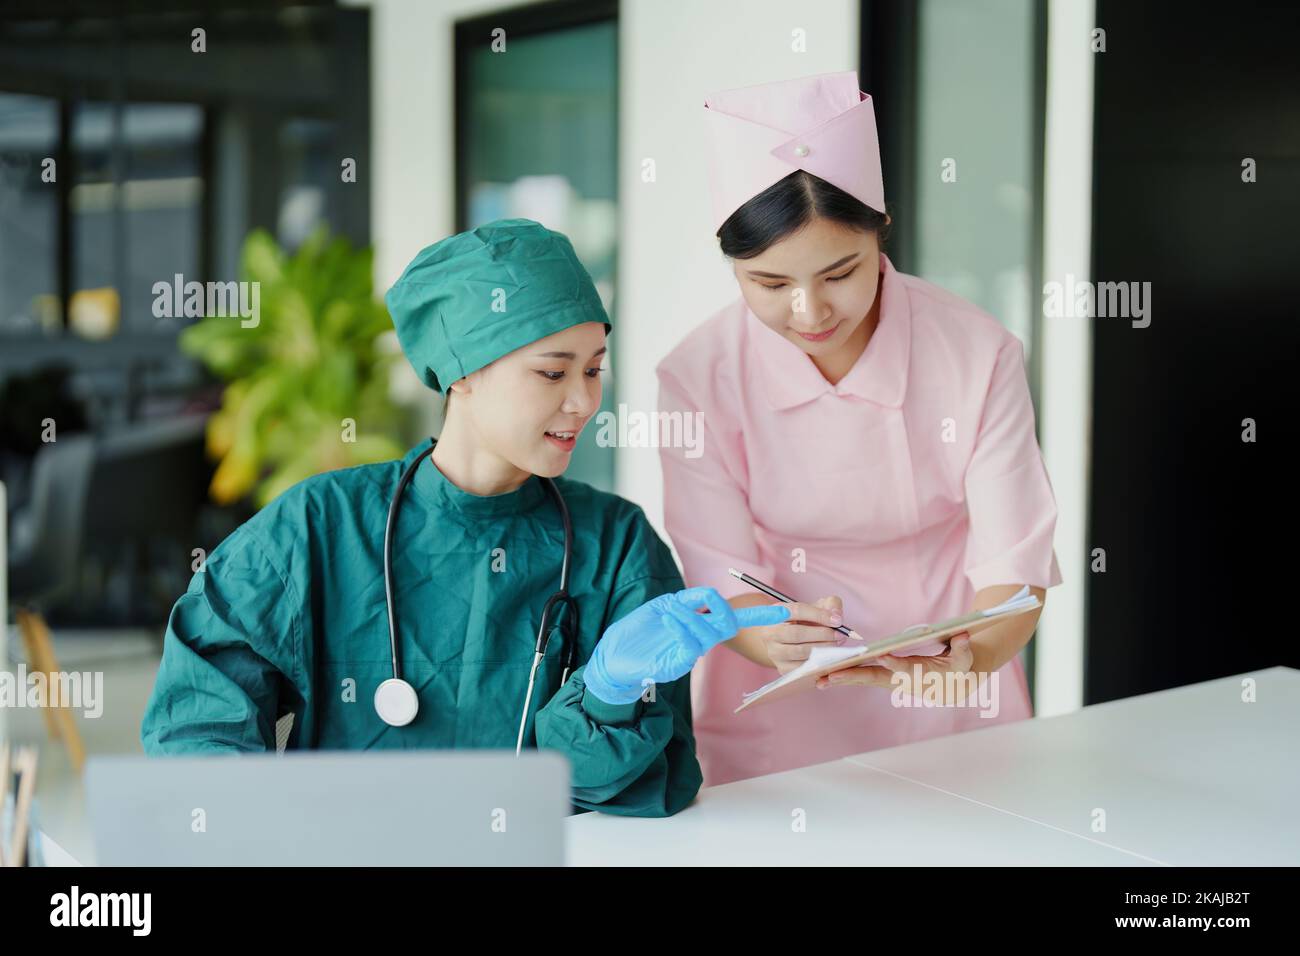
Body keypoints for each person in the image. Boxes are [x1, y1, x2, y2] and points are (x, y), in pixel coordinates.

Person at [142, 218, 787, 816]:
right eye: (552, 372)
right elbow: (199, 721)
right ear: (462, 374)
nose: (584, 400)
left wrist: (608, 696)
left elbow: (641, 787)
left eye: (593, 370)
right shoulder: (318, 526)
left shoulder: (617, 545)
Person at [657, 72, 1062, 786]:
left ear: (881, 233)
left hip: (951, 695)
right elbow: (721, 572)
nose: (810, 311)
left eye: (840, 272)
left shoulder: (977, 353)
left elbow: (1014, 569)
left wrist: (971, 654)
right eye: (769, 284)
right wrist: (777, 638)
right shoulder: (697, 376)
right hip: (780, 702)